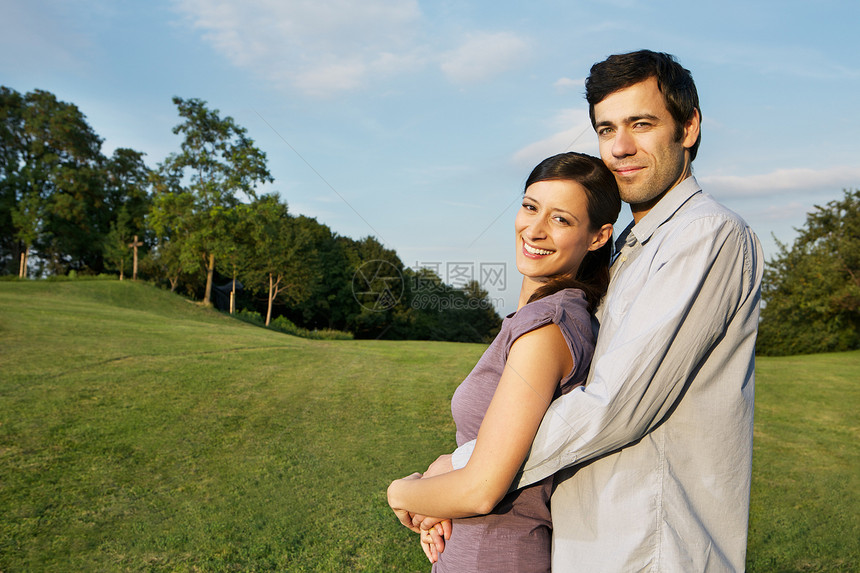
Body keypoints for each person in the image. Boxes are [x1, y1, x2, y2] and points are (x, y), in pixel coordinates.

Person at [420, 50, 764, 572]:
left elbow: (613, 406)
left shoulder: (706, 234)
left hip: (652, 547)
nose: (620, 147)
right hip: (588, 545)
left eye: (641, 124)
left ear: (688, 127)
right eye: (607, 130)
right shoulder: (630, 246)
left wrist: (460, 473)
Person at [387, 152, 621, 572]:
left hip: (495, 555)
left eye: (561, 219)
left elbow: (481, 489)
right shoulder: (544, 316)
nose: (535, 229)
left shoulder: (546, 328)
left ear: (598, 237)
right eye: (531, 207)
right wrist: (442, 487)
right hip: (471, 550)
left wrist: (402, 493)